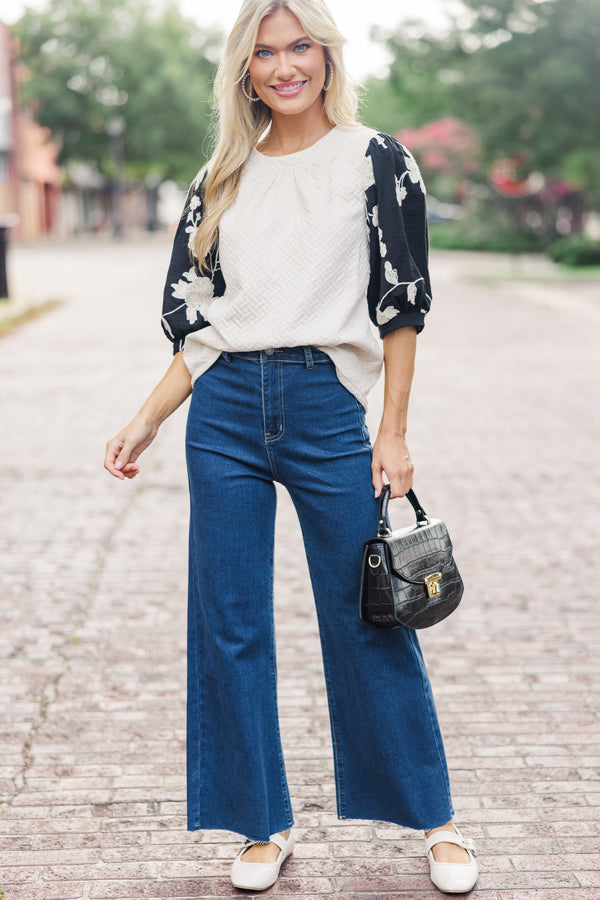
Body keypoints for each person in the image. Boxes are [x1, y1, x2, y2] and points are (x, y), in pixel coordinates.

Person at [104, 0, 479, 893]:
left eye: (298, 47)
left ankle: (436, 818)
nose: (283, 67)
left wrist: (392, 430)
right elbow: (198, 327)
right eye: (265, 53)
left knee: (368, 611)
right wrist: (146, 417)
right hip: (224, 410)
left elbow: (402, 302)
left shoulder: (375, 160)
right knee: (229, 622)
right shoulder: (220, 176)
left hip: (323, 405)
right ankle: (259, 824)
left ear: (325, 55)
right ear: (244, 69)